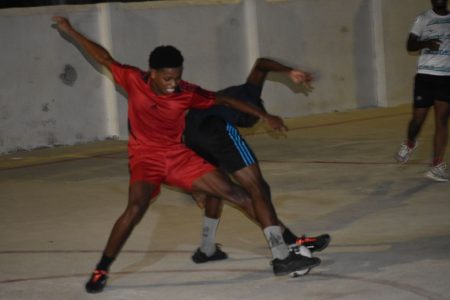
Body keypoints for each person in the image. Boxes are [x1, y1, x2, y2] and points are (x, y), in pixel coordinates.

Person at [52, 16, 321, 293]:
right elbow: (103, 57)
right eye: (168, 78)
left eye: (178, 77)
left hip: (179, 157)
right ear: (152, 72)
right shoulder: (133, 79)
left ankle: (282, 255)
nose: (173, 84)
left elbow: (226, 100)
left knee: (239, 194)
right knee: (135, 208)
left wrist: (265, 115)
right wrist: (71, 31)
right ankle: (102, 268)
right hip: (145, 158)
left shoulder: (186, 92)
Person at [183, 58, 330, 263]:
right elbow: (261, 63)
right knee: (258, 189)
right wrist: (288, 75)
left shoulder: (220, 102)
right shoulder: (249, 93)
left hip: (191, 135)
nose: (251, 123)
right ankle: (283, 253)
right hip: (214, 129)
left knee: (216, 192)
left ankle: (207, 248)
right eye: (251, 120)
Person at [396, 0, 450, 182]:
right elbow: (410, 45)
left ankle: (437, 166)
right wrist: (425, 42)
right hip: (425, 76)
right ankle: (411, 142)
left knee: (442, 120)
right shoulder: (423, 18)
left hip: (446, 78)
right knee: (418, 119)